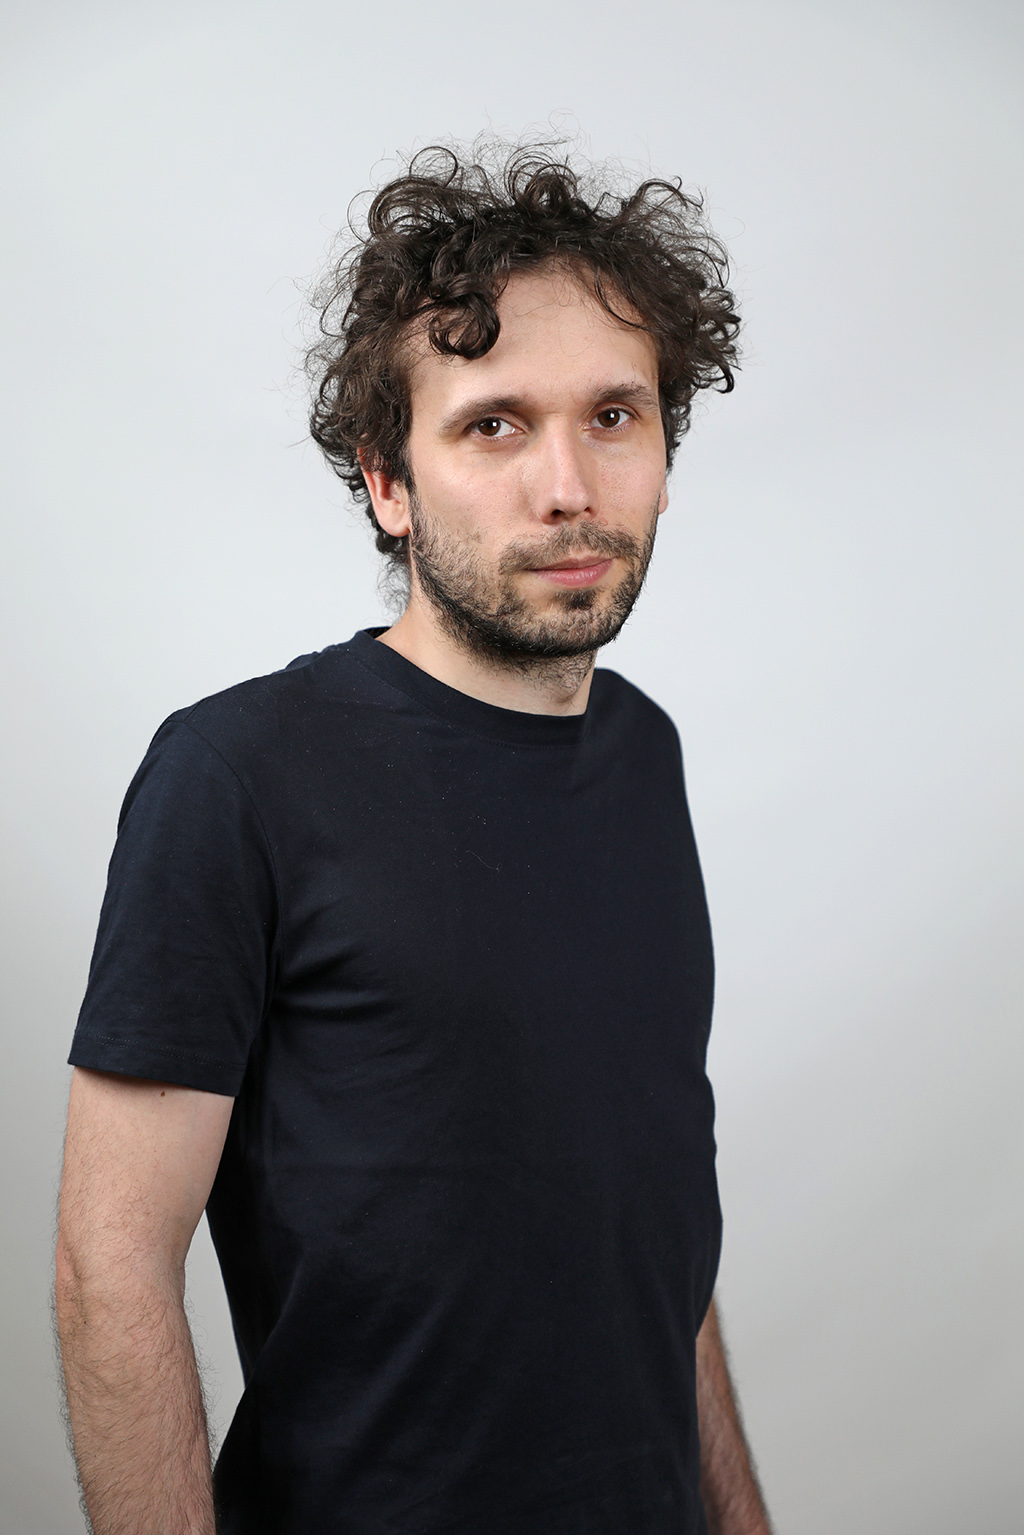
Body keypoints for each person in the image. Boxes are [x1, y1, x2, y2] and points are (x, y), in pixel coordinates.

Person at [55, 140, 772, 1535]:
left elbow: (649, 1231)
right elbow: (111, 1268)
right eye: (494, 425)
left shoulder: (645, 754)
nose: (568, 485)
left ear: (664, 451)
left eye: (613, 416)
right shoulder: (236, 774)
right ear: (388, 481)